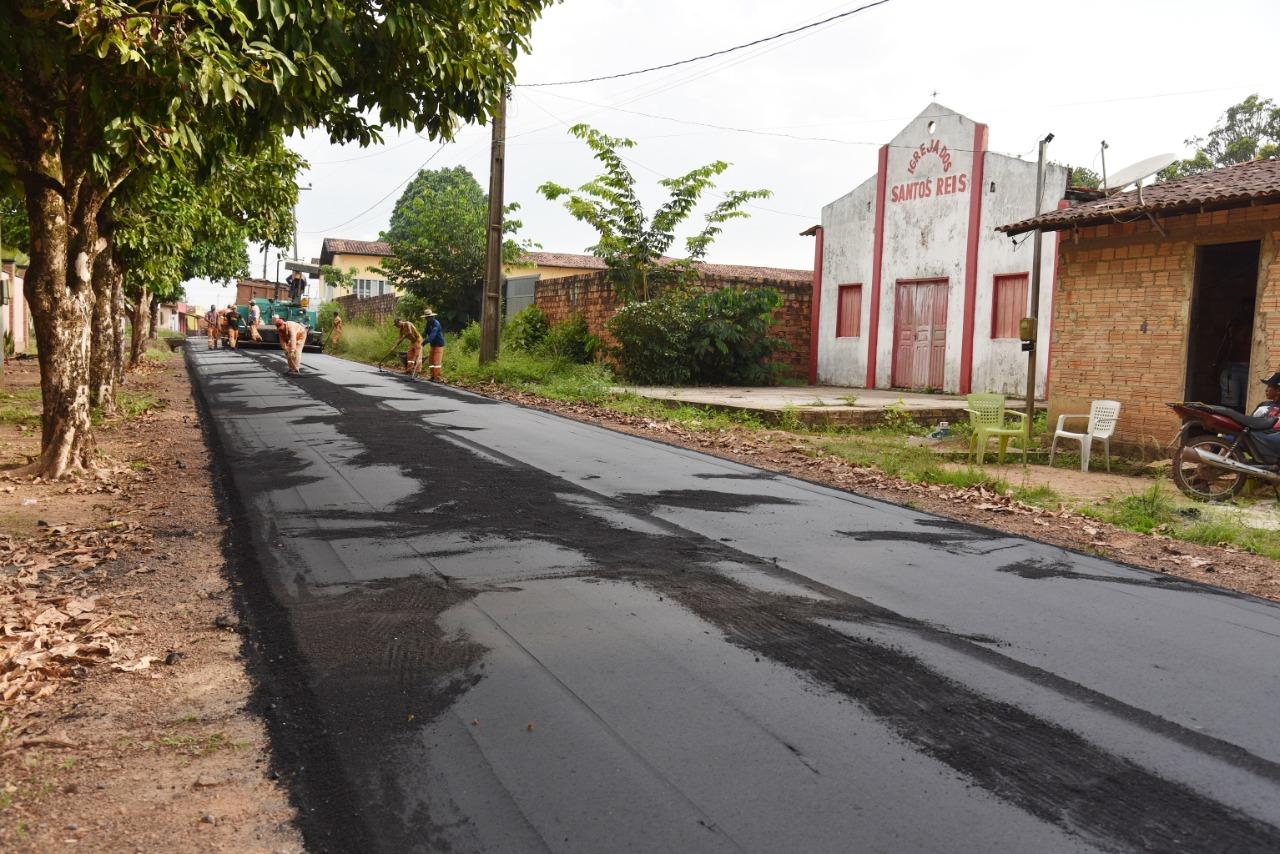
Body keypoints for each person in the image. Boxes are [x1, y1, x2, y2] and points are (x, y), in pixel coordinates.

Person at [422, 308, 445, 382]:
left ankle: (437, 378)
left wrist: (425, 342)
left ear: (432, 317)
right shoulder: (428, 324)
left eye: (428, 317)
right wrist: (422, 337)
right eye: (426, 317)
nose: (427, 319)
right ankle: (432, 376)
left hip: (439, 344)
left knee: (436, 361)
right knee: (431, 361)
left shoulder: (436, 324)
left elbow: (432, 336)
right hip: (433, 344)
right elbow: (425, 332)